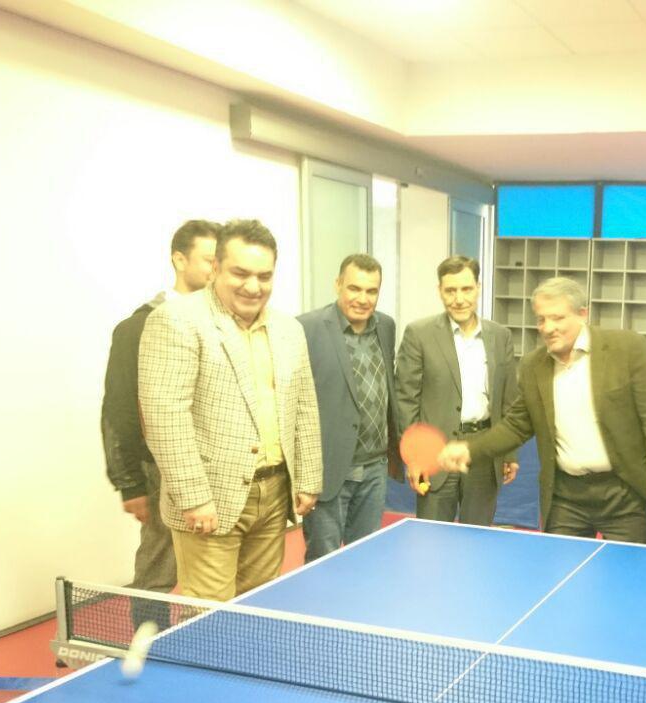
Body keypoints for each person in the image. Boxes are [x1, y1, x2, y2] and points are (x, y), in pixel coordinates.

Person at [139, 219, 322, 601]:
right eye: (240, 273)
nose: (253, 286)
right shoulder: (176, 321)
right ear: (216, 268)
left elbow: (304, 405)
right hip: (211, 497)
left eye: (264, 276)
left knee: (258, 604)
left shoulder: (290, 329)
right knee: (209, 615)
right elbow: (165, 417)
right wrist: (194, 497)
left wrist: (308, 478)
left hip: (274, 493)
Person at [437, 277, 646, 543]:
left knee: (628, 569)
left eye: (558, 318)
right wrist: (470, 450)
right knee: (560, 565)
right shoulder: (533, 366)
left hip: (625, 494)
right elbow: (516, 425)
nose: (548, 328)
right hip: (566, 498)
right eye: (541, 319)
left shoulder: (627, 348)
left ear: (582, 314)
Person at [101, 219, 218, 614]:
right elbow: (117, 409)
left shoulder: (224, 324)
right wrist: (129, 484)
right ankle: (148, 643)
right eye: (209, 260)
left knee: (210, 571)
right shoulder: (137, 328)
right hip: (159, 471)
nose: (216, 269)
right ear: (179, 260)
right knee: (158, 569)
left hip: (216, 468)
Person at [395, 256, 518, 524]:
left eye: (466, 289)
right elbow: (406, 401)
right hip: (435, 454)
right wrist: (416, 458)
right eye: (450, 290)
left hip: (485, 450)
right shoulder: (418, 334)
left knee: (478, 536)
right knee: (432, 539)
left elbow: (509, 400)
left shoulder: (501, 336)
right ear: (440, 291)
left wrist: (508, 452)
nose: (459, 299)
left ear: (478, 288)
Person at [298, 254, 399, 561]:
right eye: (354, 288)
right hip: (329, 470)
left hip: (375, 467)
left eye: (371, 291)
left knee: (364, 558)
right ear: (338, 284)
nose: (363, 299)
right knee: (323, 560)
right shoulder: (307, 328)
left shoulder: (386, 326)